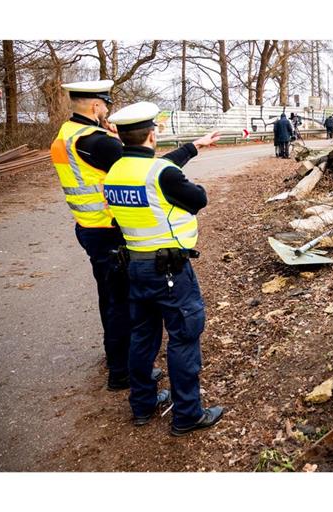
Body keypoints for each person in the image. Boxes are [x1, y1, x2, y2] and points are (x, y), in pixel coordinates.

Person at [50, 80, 190, 391]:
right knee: (121, 302)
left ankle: (116, 357)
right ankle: (122, 371)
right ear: (96, 106)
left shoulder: (67, 135)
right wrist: (191, 149)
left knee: (109, 297)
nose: (108, 111)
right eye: (106, 106)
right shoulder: (99, 142)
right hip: (110, 231)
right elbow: (148, 173)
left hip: (87, 226)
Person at [103, 101, 223, 434]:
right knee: (183, 337)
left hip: (134, 268)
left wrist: (194, 146)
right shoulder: (163, 174)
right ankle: (187, 415)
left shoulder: (115, 172)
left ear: (122, 136)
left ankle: (142, 406)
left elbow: (152, 170)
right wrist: (191, 181)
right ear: (153, 135)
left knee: (142, 338)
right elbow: (197, 199)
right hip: (169, 271)